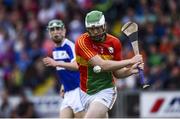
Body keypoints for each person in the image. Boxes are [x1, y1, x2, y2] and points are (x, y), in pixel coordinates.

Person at [75, 10, 144, 118]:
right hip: (85, 92)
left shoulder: (114, 42)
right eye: (92, 29)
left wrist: (131, 70)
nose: (95, 32)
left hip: (105, 90)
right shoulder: (82, 42)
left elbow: (117, 73)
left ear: (104, 26)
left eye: (98, 27)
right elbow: (102, 65)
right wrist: (131, 61)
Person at [42, 19, 84, 118]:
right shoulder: (55, 49)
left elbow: (77, 66)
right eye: (52, 30)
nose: (55, 32)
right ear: (49, 33)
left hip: (78, 91)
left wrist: (56, 63)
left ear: (64, 31)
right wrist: (63, 85)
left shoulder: (70, 46)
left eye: (58, 29)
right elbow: (63, 70)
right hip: (68, 93)